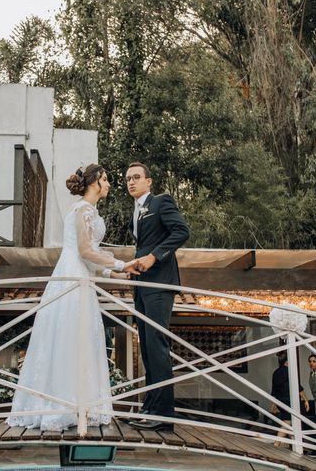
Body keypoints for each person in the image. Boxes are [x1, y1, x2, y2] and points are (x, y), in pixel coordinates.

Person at [6, 163, 140, 431]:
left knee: (78, 337)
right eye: (106, 179)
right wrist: (121, 265)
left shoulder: (88, 210)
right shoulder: (83, 209)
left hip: (82, 274)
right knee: (70, 335)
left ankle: (78, 405)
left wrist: (114, 276)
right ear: (95, 183)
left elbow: (89, 255)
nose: (109, 184)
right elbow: (85, 251)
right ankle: (60, 408)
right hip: (73, 276)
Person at [125, 162, 190, 432]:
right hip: (142, 285)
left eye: (137, 177)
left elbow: (181, 232)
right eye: (128, 179)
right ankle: (150, 407)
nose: (131, 182)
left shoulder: (161, 202)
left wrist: (153, 257)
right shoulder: (135, 213)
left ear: (149, 181)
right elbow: (144, 244)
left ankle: (164, 416)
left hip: (160, 285)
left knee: (158, 345)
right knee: (147, 350)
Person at [271, 352, 310, 447]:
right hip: (289, 400)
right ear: (287, 362)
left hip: (280, 400)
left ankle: (296, 445)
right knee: (288, 422)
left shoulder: (275, 373)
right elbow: (298, 388)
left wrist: (273, 403)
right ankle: (277, 443)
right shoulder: (289, 372)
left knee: (291, 423)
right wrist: (306, 399)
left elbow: (274, 390)